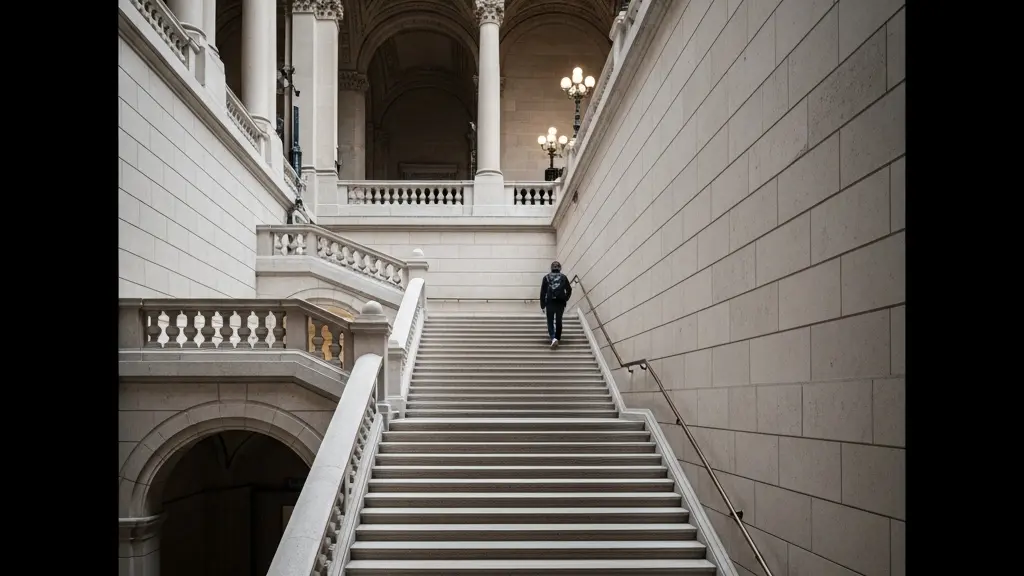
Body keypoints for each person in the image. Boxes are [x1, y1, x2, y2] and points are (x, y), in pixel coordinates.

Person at [540, 261, 572, 348]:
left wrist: (542, 305)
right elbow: (569, 289)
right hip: (560, 303)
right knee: (559, 320)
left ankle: (553, 338)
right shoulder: (564, 277)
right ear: (560, 268)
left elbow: (543, 292)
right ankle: (557, 337)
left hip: (550, 302)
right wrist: (565, 298)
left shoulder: (546, 278)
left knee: (550, 320)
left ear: (551, 268)